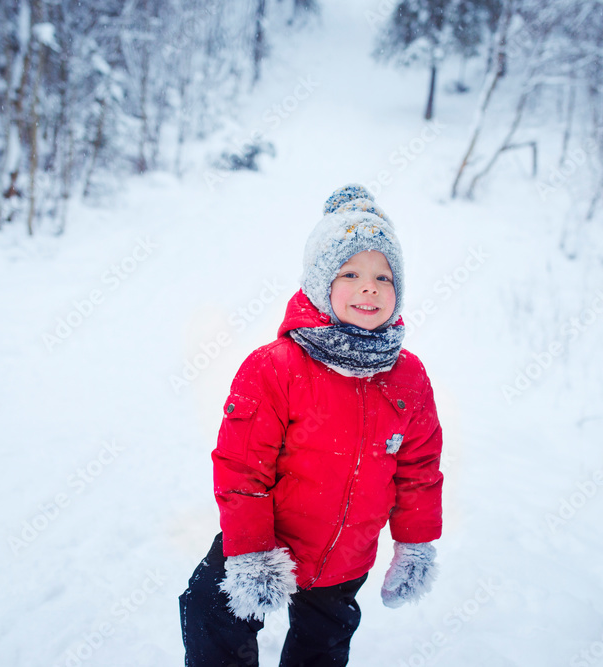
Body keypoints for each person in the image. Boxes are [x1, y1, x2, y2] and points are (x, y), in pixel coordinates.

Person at [179, 184, 445, 667]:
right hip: (267, 539)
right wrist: (253, 553)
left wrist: (414, 544)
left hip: (347, 555)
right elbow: (241, 467)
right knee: (209, 609)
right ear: (321, 283)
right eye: (351, 273)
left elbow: (420, 469)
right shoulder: (275, 367)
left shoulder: (409, 377)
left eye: (384, 277)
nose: (369, 287)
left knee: (322, 646)